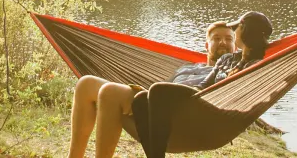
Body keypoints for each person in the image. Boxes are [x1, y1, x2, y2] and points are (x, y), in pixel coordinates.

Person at [66, 21, 237, 158]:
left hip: (183, 120)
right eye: (216, 38)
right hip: (154, 103)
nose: (223, 42)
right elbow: (163, 87)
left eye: (229, 39)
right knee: (86, 84)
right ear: (207, 45)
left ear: (235, 47)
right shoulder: (187, 67)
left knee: (110, 92)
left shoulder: (231, 71)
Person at [202, 11, 273, 87]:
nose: (234, 31)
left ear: (245, 32)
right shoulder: (226, 58)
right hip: (211, 96)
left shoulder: (257, 66)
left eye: (235, 27)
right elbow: (203, 86)